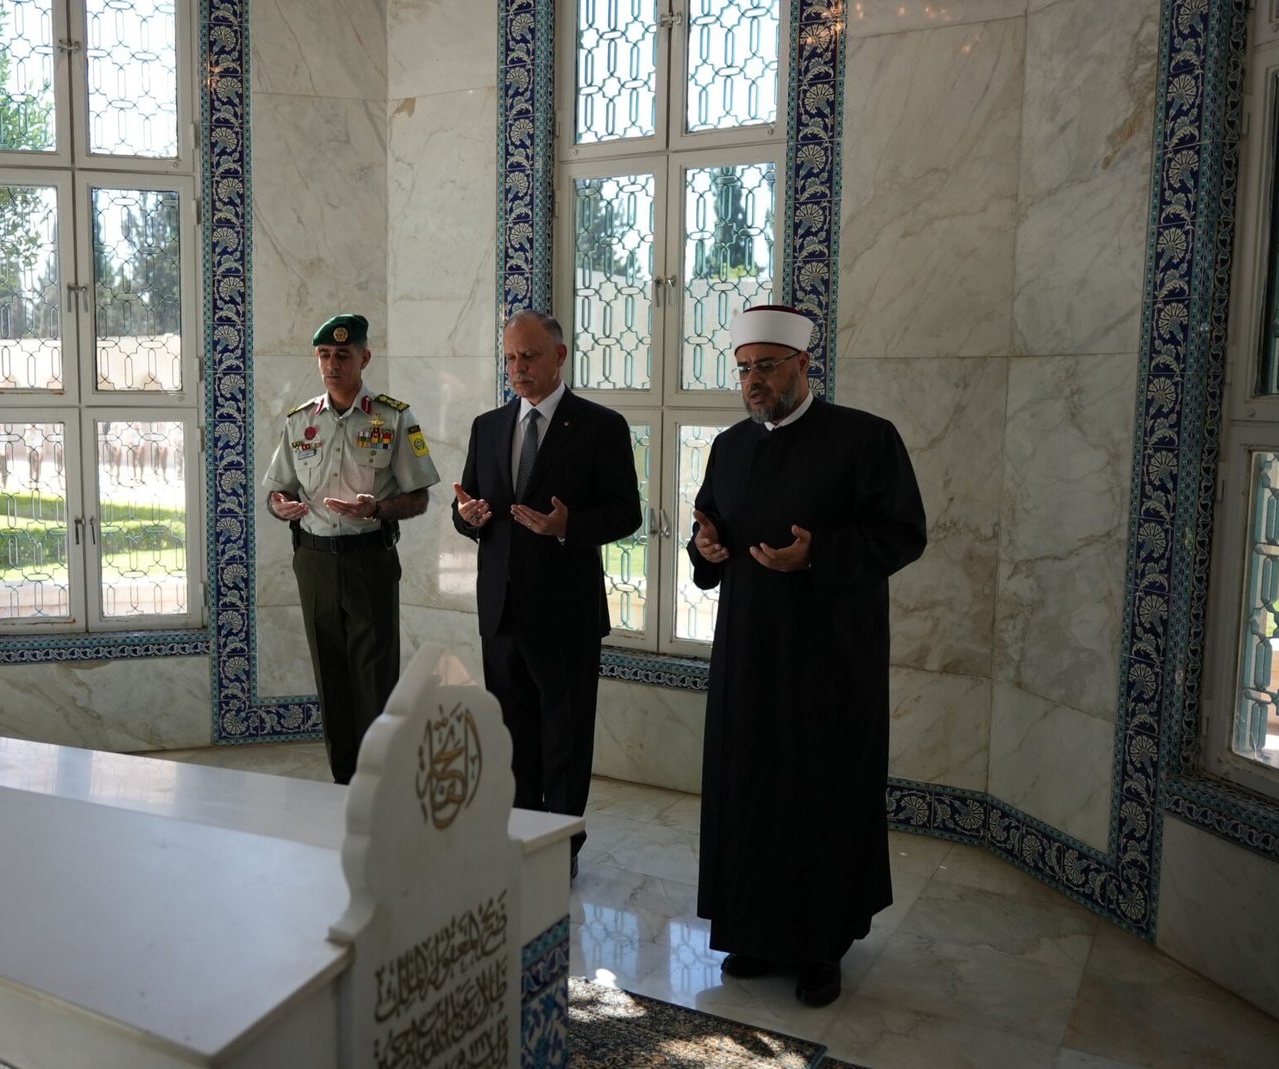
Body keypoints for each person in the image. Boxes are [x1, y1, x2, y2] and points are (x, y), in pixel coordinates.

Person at [687, 303, 926, 1007]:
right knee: (752, 789)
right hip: (748, 653)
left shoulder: (865, 438)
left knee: (820, 794)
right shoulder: (730, 446)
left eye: (765, 367)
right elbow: (709, 528)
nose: (752, 381)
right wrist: (705, 549)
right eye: (742, 369)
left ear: (802, 364)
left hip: (830, 658)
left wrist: (819, 553)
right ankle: (755, 931)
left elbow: (903, 533)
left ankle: (823, 945)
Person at [451, 310, 642, 878]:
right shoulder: (488, 426)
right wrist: (467, 517)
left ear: (559, 356)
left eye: (529, 356)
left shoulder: (601, 426)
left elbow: (626, 513)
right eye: (510, 358)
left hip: (565, 614)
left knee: (565, 738)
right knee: (511, 738)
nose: (518, 368)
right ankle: (517, 836)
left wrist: (568, 526)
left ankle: (560, 847)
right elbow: (469, 505)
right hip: (501, 611)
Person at [262, 313, 440, 784]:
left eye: (343, 355)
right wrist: (280, 506)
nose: (332, 365)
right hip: (314, 562)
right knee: (331, 678)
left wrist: (377, 509)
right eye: (324, 355)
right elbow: (278, 491)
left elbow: (419, 498)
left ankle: (380, 785)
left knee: (374, 679)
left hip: (369, 561)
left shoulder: (394, 417)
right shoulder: (300, 421)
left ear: (365, 357)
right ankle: (343, 785)